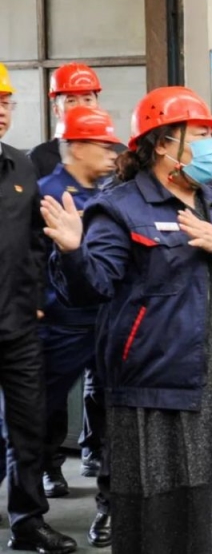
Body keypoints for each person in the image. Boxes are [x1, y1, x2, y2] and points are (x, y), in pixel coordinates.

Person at [41, 86, 212, 554]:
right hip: (159, 388)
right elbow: (93, 286)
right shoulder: (120, 208)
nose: (211, 146)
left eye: (211, 134)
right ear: (163, 143)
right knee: (168, 513)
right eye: (200, 135)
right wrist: (72, 252)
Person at [0, 62, 78, 553]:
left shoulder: (21, 166)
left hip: (18, 326)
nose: (1, 111)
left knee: (28, 426)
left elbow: (35, 240)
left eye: (5, 102)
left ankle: (28, 520)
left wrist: (35, 300)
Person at [37, 106, 121, 547]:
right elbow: (28, 256)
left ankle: (109, 504)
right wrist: (33, 304)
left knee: (111, 414)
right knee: (29, 417)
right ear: (77, 147)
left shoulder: (108, 193)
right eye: (102, 145)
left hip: (103, 321)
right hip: (60, 324)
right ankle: (30, 501)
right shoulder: (48, 193)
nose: (111, 153)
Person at [29, 62, 112, 491]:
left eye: (88, 97)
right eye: (71, 98)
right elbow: (29, 244)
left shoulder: (109, 163)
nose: (80, 104)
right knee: (47, 398)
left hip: (101, 306)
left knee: (103, 388)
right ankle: (47, 465)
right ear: (55, 104)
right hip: (59, 309)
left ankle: (96, 452)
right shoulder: (40, 165)